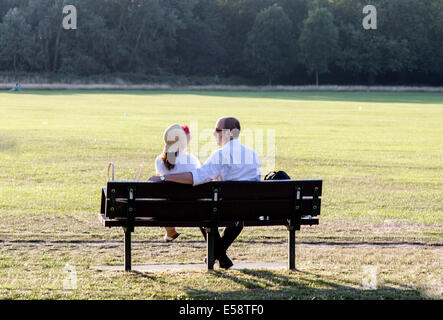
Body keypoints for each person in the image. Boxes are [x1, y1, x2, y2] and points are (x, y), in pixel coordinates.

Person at [149, 117, 261, 269]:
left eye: (217, 131)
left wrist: (163, 177)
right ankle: (219, 256)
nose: (214, 134)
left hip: (224, 210)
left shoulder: (220, 155)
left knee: (205, 212)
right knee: (231, 213)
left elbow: (197, 177)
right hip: (249, 210)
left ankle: (217, 255)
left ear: (228, 133)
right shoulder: (253, 155)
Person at [155, 124, 201, 242]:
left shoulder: (160, 161)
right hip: (192, 210)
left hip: (167, 211)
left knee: (164, 196)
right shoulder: (192, 160)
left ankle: (170, 231)